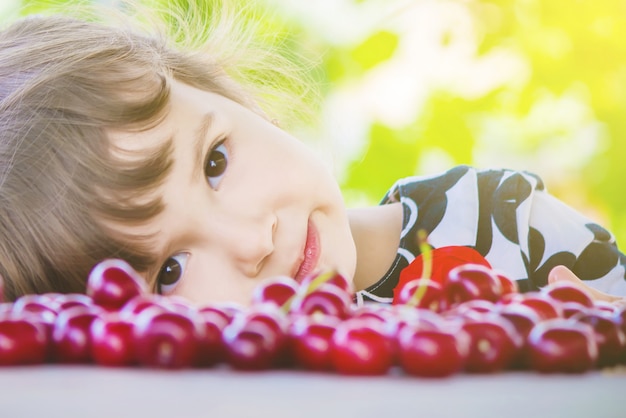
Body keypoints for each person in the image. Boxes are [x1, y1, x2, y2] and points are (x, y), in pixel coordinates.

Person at [0, 1, 624, 307]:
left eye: (215, 162)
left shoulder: (504, 221)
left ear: (233, 95)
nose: (253, 240)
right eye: (169, 272)